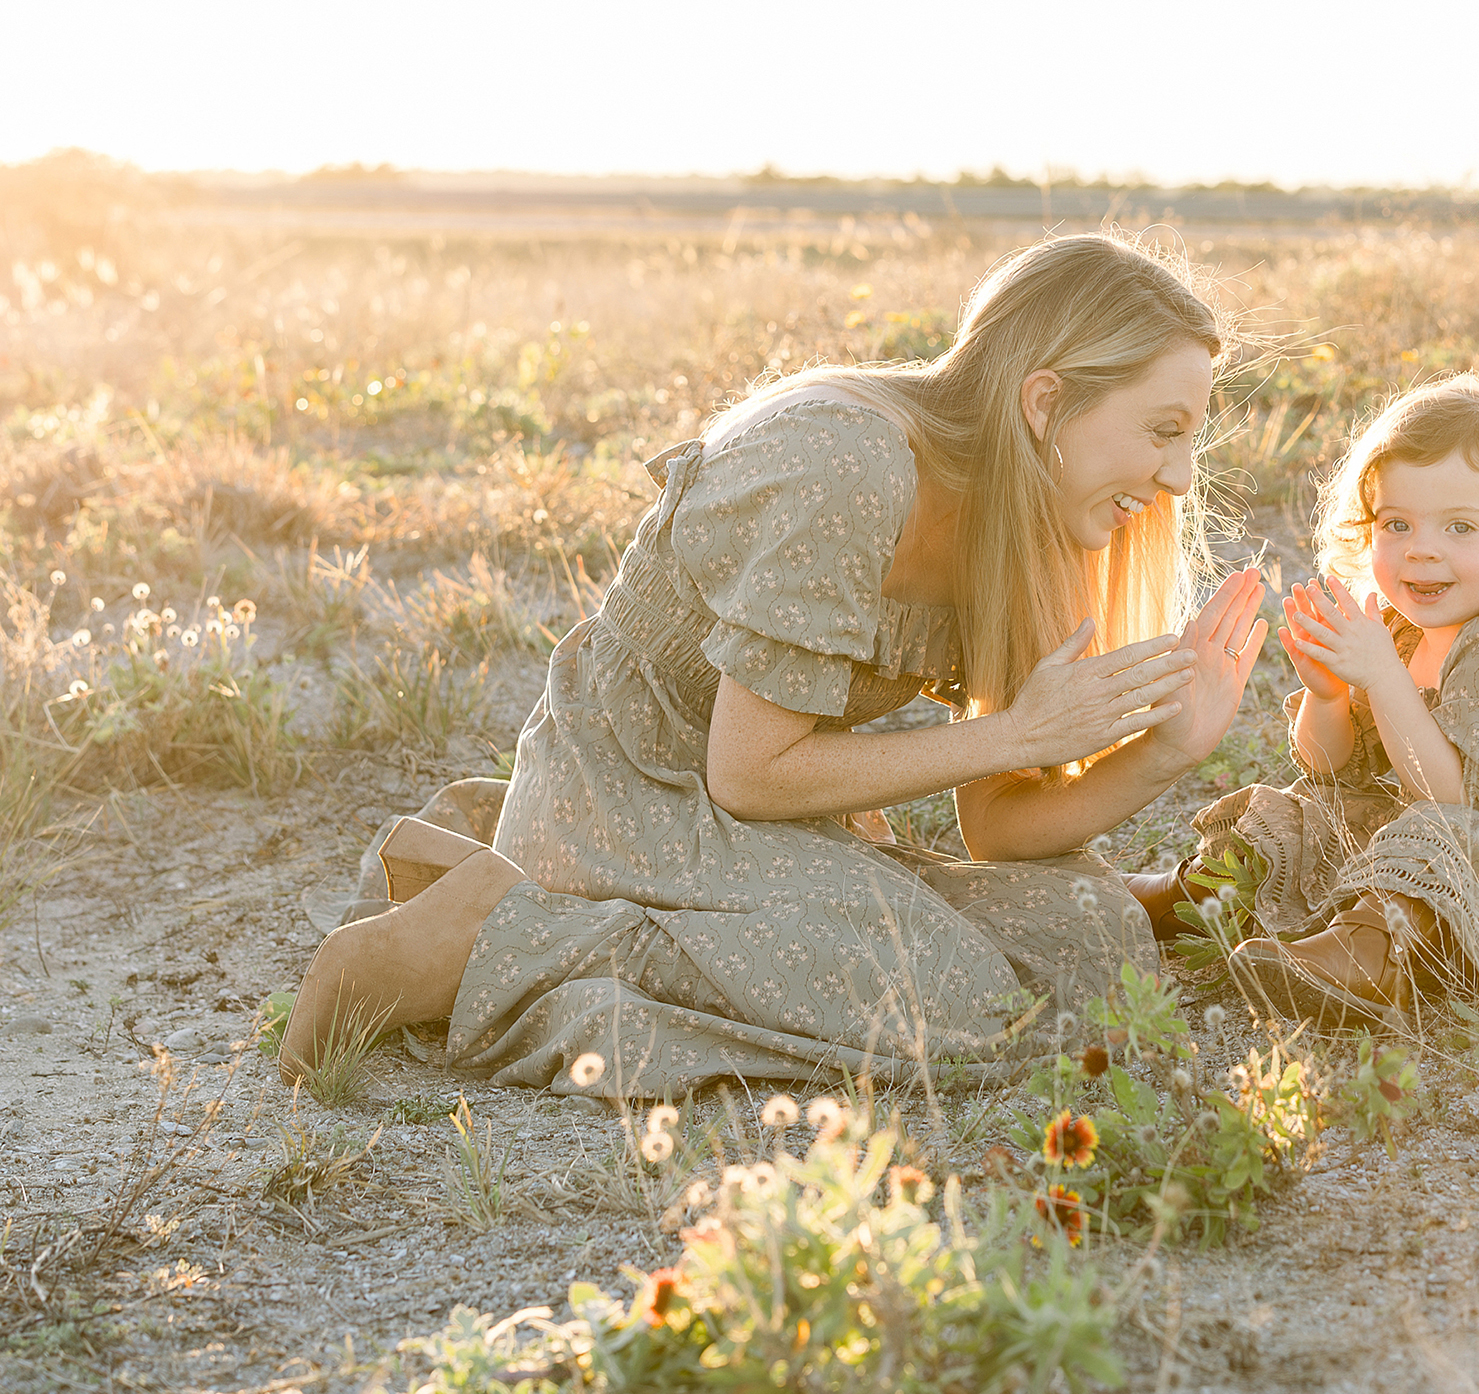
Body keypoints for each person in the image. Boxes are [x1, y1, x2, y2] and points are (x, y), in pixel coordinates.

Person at [279, 232, 1265, 1098]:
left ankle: (507, 896)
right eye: (1162, 429)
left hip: (770, 815)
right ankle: (484, 933)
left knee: (1089, 934)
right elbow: (745, 772)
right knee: (952, 997)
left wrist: (1168, 748)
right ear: (1046, 400)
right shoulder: (843, 463)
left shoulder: (1031, 512)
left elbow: (1000, 824)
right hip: (630, 790)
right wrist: (1015, 730)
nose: (1179, 475)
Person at [1139, 373, 1479, 1023]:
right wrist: (1329, 695)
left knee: (1428, 832)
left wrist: (1384, 679)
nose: (1422, 549)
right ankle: (1191, 897)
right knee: (1308, 807)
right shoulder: (1397, 633)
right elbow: (1328, 770)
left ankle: (1370, 959)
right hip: (1445, 852)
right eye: (1397, 524)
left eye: (1458, 527)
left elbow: (1451, 797)